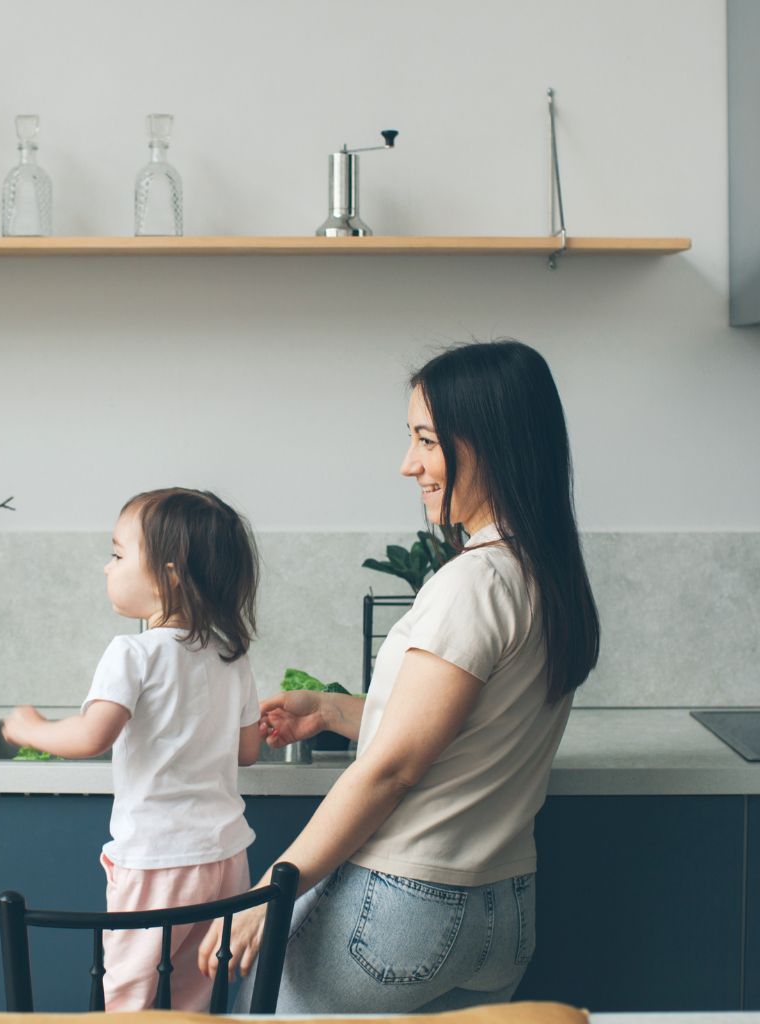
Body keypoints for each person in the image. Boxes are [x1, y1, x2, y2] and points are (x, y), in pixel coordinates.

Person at [199, 339, 601, 1014]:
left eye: (426, 441)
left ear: (490, 444)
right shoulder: (545, 576)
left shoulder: (472, 583)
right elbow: (463, 727)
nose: (408, 463)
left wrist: (269, 894)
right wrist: (330, 710)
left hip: (405, 912)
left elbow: (390, 771)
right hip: (504, 916)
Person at [3, 487, 262, 1012]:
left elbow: (91, 736)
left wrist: (29, 728)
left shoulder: (132, 652)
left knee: (127, 995)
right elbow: (248, 751)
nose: (107, 567)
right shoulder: (230, 654)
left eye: (118, 554)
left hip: (158, 861)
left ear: (168, 576)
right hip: (227, 858)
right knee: (193, 994)